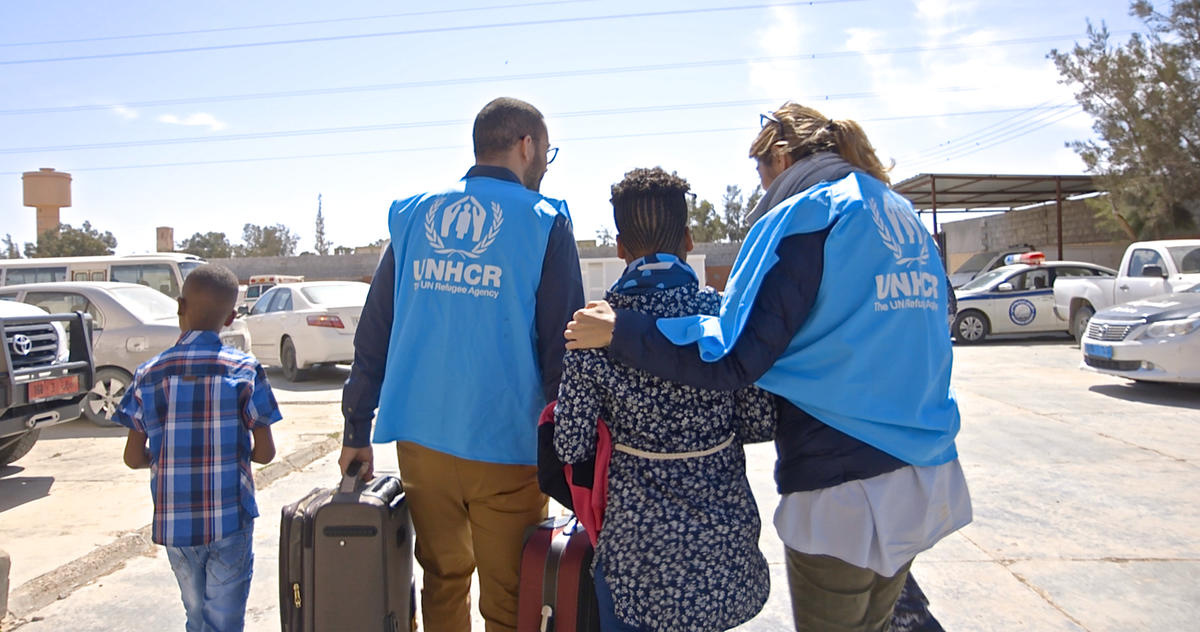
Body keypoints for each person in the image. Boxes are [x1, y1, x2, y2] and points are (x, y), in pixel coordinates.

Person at [564, 102, 972, 632]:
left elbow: (734, 354)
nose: (763, 193)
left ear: (780, 155)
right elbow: (760, 415)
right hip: (922, 469)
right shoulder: (897, 211)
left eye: (760, 174)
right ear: (688, 242)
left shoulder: (807, 216)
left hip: (838, 487)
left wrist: (623, 333)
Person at [339, 96, 585, 632]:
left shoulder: (412, 213)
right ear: (527, 146)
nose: (545, 162)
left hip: (421, 442)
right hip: (505, 445)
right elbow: (561, 349)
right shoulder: (545, 221)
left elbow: (375, 326)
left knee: (443, 578)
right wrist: (570, 448)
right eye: (547, 150)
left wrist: (356, 425)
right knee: (508, 597)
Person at [554, 168, 775, 632]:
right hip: (721, 551)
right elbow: (759, 420)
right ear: (690, 240)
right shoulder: (723, 319)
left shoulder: (592, 329)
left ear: (620, 249)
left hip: (637, 556)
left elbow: (570, 445)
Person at [115, 264, 280, 632]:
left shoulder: (148, 374)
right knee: (224, 620)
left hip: (176, 524)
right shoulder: (245, 370)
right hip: (230, 519)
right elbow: (265, 452)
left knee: (195, 615)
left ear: (179, 307)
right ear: (232, 317)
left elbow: (131, 458)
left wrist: (168, 455)